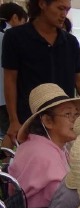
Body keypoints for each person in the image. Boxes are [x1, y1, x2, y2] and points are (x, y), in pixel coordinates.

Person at [1, 0, 80, 145]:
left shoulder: (71, 42)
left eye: (67, 10)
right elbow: (9, 80)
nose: (64, 15)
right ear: (42, 4)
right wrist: (13, 120)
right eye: (60, 8)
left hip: (64, 120)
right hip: (30, 118)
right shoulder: (15, 37)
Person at [9, 83, 80, 208]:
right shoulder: (41, 154)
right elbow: (65, 200)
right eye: (68, 114)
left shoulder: (44, 145)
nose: (75, 120)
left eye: (76, 114)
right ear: (47, 121)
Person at [0, 2, 27, 145]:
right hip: (6, 98)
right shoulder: (11, 38)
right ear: (15, 18)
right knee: (12, 133)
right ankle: (6, 164)